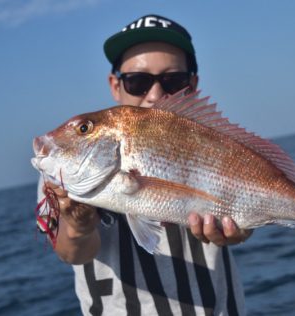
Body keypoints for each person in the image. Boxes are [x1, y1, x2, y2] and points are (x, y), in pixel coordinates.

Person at [38, 14, 252, 315]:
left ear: (192, 84)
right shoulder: (70, 162)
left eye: (173, 81)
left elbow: (250, 201)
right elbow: (72, 251)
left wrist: (244, 225)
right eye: (137, 82)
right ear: (115, 85)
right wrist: (79, 223)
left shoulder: (220, 147)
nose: (155, 94)